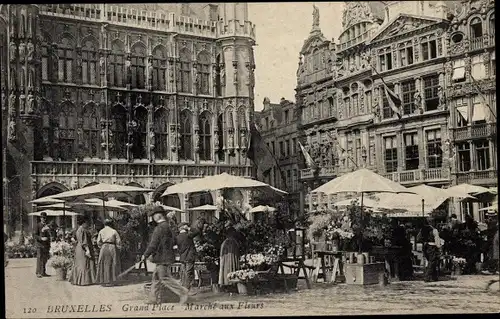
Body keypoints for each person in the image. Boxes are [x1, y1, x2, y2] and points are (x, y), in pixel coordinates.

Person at [142, 206, 188, 304]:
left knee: (164, 278)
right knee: (156, 278)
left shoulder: (159, 228)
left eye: (153, 215)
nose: (153, 218)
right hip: (166, 257)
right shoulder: (168, 227)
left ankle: (183, 292)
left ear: (159, 215)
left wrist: (145, 255)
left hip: (161, 258)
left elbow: (153, 244)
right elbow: (175, 241)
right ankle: (153, 299)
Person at [176, 222, 202, 294]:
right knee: (189, 273)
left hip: (182, 257)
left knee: (184, 272)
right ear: (184, 227)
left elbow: (178, 248)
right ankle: (187, 289)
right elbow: (197, 231)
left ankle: (183, 288)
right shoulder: (188, 235)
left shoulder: (177, 237)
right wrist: (189, 228)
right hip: (190, 256)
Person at [70, 216, 96, 286]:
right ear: (84, 222)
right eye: (87, 222)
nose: (88, 224)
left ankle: (78, 280)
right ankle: (84, 281)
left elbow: (75, 239)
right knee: (84, 264)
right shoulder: (83, 230)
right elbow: (84, 242)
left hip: (79, 248)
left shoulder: (78, 229)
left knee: (79, 264)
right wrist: (87, 250)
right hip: (83, 249)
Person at [96, 219, 122, 286]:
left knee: (104, 262)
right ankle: (113, 280)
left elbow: (98, 241)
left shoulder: (101, 231)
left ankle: (104, 280)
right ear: (111, 224)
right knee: (113, 262)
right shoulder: (114, 231)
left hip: (104, 247)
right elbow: (118, 241)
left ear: (104, 224)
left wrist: (101, 246)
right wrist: (118, 247)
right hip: (112, 246)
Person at [417, 217, 442, 282]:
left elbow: (418, 238)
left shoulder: (422, 229)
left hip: (425, 247)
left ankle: (434, 276)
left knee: (431, 261)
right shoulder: (434, 230)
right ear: (432, 222)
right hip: (432, 246)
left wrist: (424, 241)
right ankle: (427, 277)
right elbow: (437, 240)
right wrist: (439, 247)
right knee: (432, 262)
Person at [218, 221, 242, 289]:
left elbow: (222, 252)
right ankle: (232, 281)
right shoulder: (234, 242)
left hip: (226, 259)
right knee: (232, 265)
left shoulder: (225, 242)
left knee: (226, 268)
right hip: (232, 256)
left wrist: (221, 257)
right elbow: (237, 251)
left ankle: (226, 281)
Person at [33, 212, 51, 278]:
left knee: (45, 258)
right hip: (39, 244)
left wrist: (49, 243)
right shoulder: (37, 225)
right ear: (40, 218)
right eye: (42, 218)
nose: (44, 219)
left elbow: (49, 235)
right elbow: (34, 235)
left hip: (46, 245)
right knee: (39, 258)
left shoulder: (47, 225)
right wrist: (41, 238)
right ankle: (38, 272)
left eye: (45, 218)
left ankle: (43, 272)